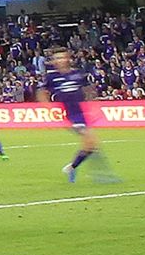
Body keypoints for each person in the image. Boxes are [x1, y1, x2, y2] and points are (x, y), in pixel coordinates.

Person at [46, 50, 115, 183]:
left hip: (82, 114)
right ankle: (102, 175)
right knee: (91, 141)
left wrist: (93, 104)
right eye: (57, 58)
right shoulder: (52, 77)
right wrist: (49, 108)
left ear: (67, 58)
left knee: (90, 145)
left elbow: (88, 90)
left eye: (62, 57)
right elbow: (42, 93)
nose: (60, 60)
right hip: (71, 116)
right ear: (54, 62)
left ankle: (73, 167)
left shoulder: (76, 74)